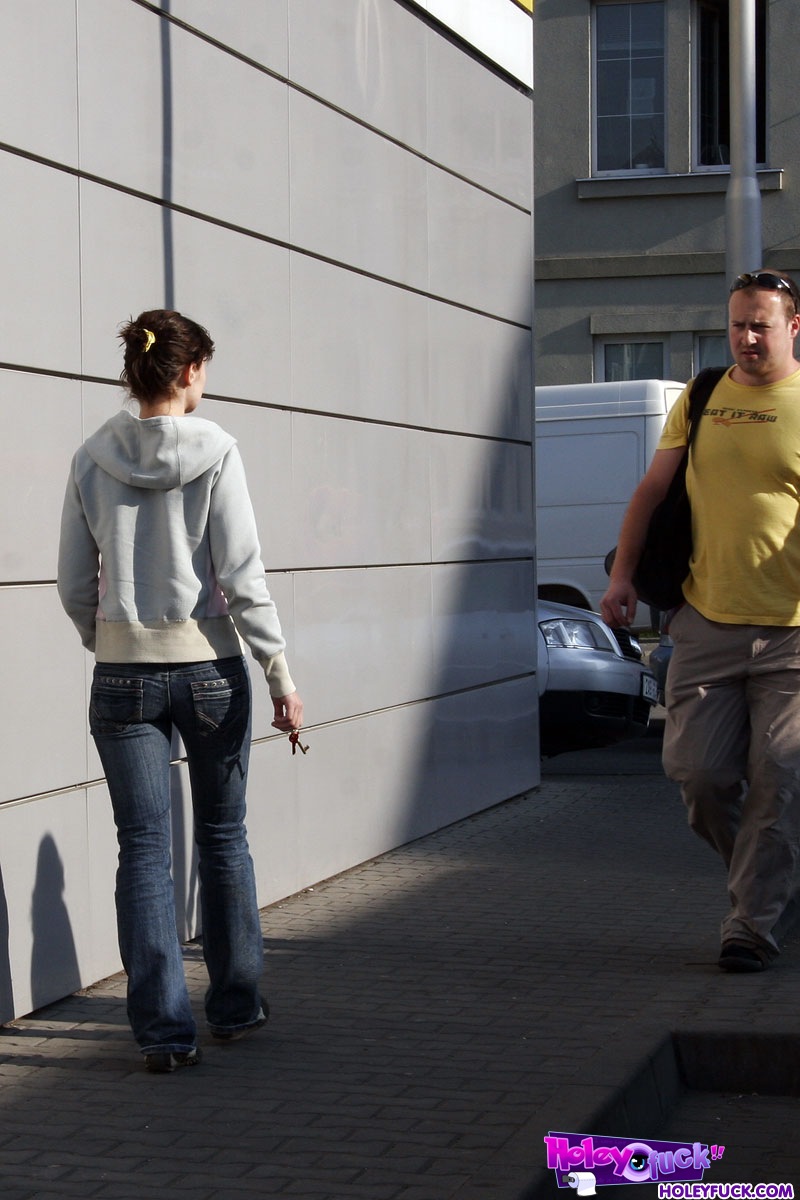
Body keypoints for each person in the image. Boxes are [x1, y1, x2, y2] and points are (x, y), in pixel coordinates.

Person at [57, 309, 304, 1070]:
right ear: (191, 370)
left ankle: (164, 1033)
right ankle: (234, 1005)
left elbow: (74, 583)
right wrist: (280, 675)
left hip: (121, 675)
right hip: (211, 672)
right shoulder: (218, 450)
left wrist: (112, 643)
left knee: (142, 848)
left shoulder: (91, 456)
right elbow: (243, 577)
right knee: (224, 837)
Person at [601, 269, 800, 974]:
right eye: (738, 325)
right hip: (706, 621)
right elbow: (654, 491)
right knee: (699, 776)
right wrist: (622, 576)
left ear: (793, 327)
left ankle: (752, 925)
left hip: (793, 633)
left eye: (761, 326)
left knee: (777, 780)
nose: (747, 338)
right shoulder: (705, 394)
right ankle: (774, 879)